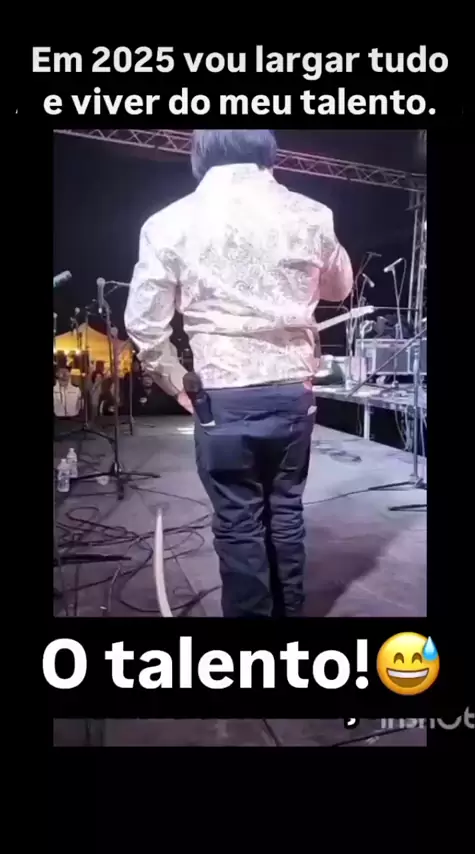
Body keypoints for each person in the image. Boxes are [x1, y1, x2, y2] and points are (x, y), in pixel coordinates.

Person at [125, 129, 353, 618]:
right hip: (293, 391)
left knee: (238, 520)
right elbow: (340, 288)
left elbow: (144, 325)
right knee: (285, 511)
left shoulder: (169, 222)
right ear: (269, 150)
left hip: (222, 396)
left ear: (201, 152)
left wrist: (175, 381)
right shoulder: (311, 214)